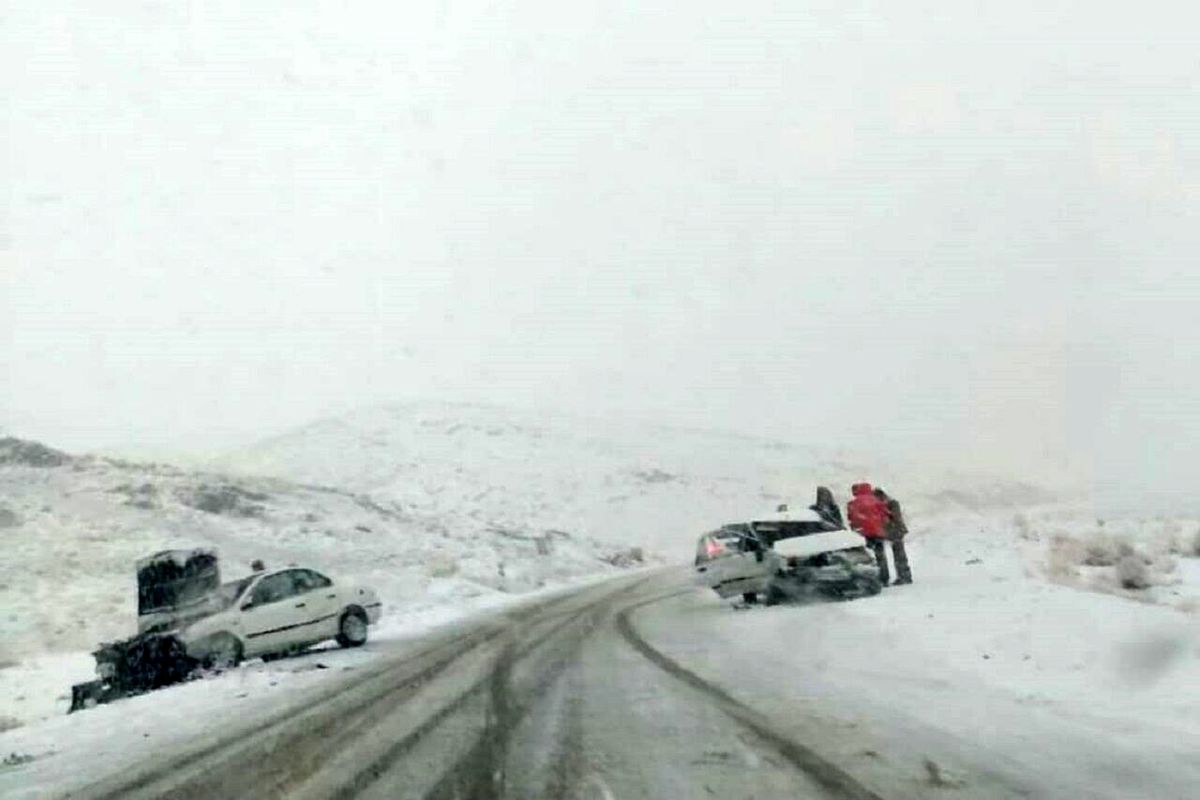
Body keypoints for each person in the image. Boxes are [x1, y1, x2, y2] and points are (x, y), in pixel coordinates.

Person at [847, 482, 890, 584]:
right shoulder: (877, 501)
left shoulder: (854, 503)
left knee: (866, 556)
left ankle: (871, 579)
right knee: (880, 555)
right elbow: (885, 515)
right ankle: (884, 578)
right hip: (878, 532)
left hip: (863, 534)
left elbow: (851, 517)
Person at [874, 487, 913, 585]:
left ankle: (904, 576)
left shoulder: (892, 503)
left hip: (895, 530)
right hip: (892, 530)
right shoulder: (889, 503)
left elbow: (896, 517)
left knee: (899, 555)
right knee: (899, 555)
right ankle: (903, 575)